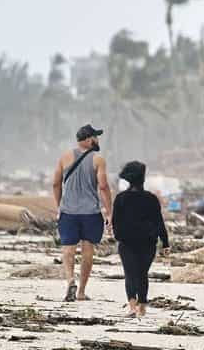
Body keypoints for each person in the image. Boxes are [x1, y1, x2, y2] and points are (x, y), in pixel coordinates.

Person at [52, 124, 113, 302]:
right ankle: (81, 292)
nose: (98, 140)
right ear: (88, 139)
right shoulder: (98, 160)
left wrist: (59, 206)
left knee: (68, 249)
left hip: (68, 212)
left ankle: (70, 280)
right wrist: (110, 213)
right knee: (88, 250)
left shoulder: (64, 157)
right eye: (95, 137)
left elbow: (56, 184)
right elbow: (103, 187)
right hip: (90, 213)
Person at [112, 160, 170, 318]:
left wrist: (119, 236)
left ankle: (132, 306)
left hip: (126, 242)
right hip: (147, 243)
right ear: (143, 178)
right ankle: (142, 306)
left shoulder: (121, 198)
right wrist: (165, 243)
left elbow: (115, 221)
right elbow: (159, 222)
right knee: (142, 273)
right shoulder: (151, 199)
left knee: (130, 273)